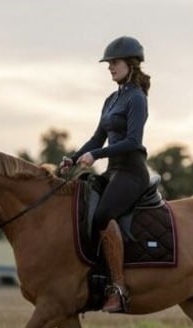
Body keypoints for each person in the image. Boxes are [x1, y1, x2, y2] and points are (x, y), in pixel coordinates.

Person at [60, 35, 151, 313]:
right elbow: (97, 138)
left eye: (114, 62)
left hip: (132, 173)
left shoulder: (136, 98)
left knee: (102, 216)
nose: (110, 67)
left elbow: (133, 141)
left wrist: (96, 156)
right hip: (113, 172)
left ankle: (119, 288)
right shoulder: (112, 99)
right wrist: (74, 158)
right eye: (108, 63)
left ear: (130, 64)